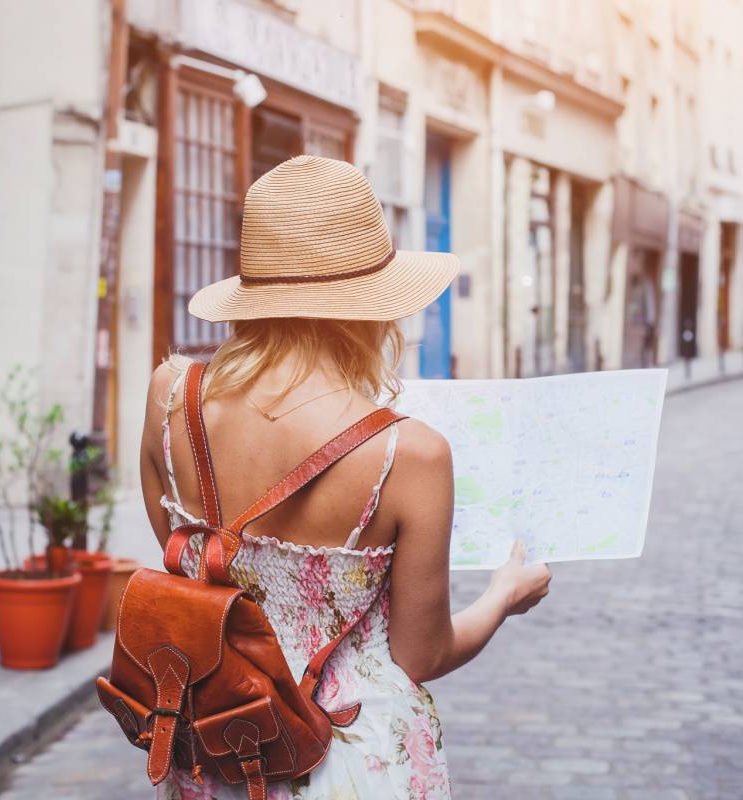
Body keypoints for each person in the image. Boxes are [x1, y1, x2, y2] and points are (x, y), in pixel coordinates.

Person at [140, 155, 551, 799]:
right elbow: (422, 656)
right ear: (370, 308)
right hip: (354, 761)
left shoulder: (171, 397)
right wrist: (502, 596)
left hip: (217, 749)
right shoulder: (408, 454)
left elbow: (192, 567)